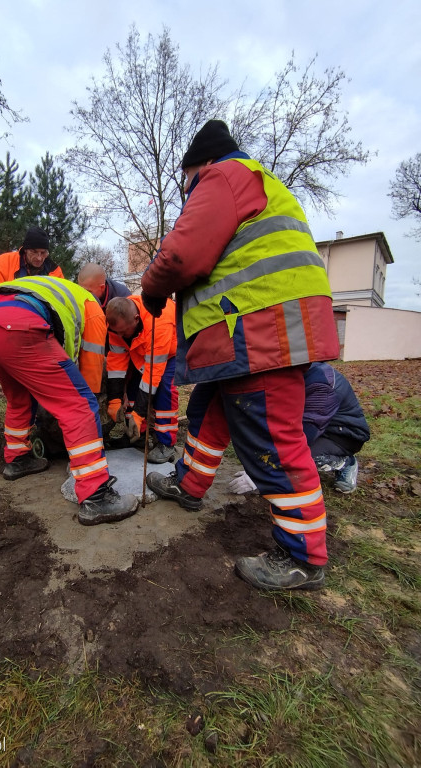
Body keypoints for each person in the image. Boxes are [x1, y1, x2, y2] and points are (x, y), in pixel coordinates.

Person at [141, 119, 340, 591]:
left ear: (200, 166)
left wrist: (151, 289)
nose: (188, 191)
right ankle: (189, 485)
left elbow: (182, 255)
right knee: (212, 409)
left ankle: (302, 556)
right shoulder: (255, 183)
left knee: (271, 439)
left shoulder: (223, 177)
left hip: (260, 330)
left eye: (185, 181)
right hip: (250, 330)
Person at [0, 275, 139, 526]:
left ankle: (18, 459)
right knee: (80, 405)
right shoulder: (93, 309)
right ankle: (96, 495)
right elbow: (91, 367)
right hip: (19, 326)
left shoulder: (57, 290)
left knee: (19, 397)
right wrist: (91, 404)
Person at [228, 362, 370, 495]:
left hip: (342, 435)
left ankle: (345, 462)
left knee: (300, 458)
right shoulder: (289, 372)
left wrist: (261, 474)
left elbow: (304, 435)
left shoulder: (321, 386)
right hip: (315, 427)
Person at [105, 295, 178, 464]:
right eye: (118, 332)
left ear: (136, 319)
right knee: (132, 388)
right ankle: (137, 435)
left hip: (169, 353)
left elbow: (152, 375)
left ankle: (165, 443)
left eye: (124, 332)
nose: (121, 335)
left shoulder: (158, 321)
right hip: (141, 351)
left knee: (164, 391)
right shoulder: (116, 324)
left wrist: (139, 414)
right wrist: (115, 400)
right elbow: (116, 362)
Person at [0, 226, 64, 285]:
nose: (39, 258)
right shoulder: (3, 263)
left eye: (43, 253)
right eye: (34, 252)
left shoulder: (55, 271)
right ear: (25, 249)